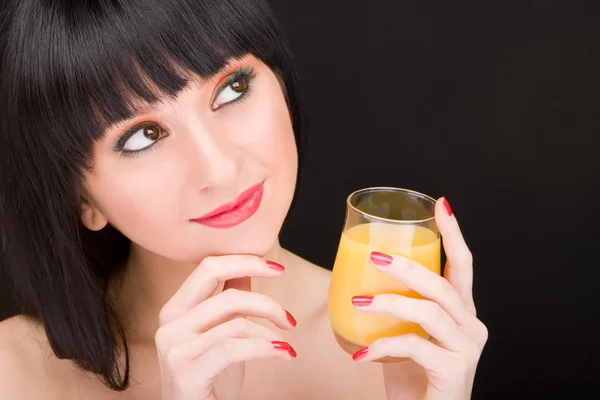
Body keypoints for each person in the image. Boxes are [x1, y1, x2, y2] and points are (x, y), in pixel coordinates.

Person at [0, 0, 488, 398]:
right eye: (143, 136)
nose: (219, 168)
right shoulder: (16, 374)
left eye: (232, 89)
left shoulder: (398, 348)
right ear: (82, 198)